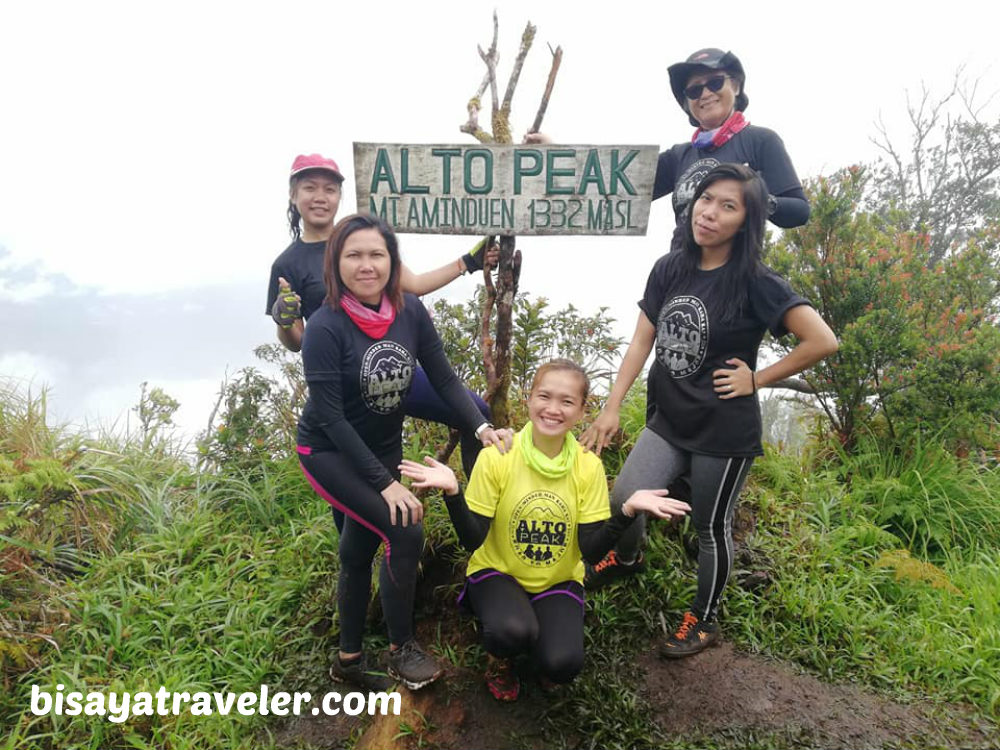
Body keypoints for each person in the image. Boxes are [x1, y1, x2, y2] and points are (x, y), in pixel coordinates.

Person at [580, 164, 837, 658]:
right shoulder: (670, 267)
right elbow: (641, 340)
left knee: (710, 527)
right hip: (670, 419)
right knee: (625, 496)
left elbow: (822, 340)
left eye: (728, 206)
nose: (711, 213)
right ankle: (627, 558)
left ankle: (704, 619)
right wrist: (611, 407)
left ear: (746, 221)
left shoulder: (756, 281)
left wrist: (756, 379)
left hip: (723, 427)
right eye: (706, 199)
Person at [296, 213, 513, 691]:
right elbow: (331, 418)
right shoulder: (325, 327)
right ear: (336, 263)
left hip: (381, 444)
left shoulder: (409, 310)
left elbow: (443, 378)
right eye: (354, 255)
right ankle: (402, 649)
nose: (367, 265)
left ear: (392, 261)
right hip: (328, 449)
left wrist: (481, 427)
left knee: (358, 549)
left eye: (377, 254)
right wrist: (385, 482)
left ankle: (349, 660)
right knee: (405, 524)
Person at [399, 359, 692, 700]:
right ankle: (500, 660)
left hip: (557, 579)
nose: (553, 409)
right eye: (544, 397)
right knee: (513, 631)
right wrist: (454, 493)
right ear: (529, 399)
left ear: (582, 411)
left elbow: (591, 551)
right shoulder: (498, 456)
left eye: (567, 402)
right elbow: (472, 541)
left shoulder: (587, 467)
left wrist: (626, 510)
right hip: (497, 572)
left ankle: (543, 652)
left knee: (563, 664)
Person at [267, 153, 497, 482]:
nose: (320, 197)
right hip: (346, 383)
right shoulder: (288, 263)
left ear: (339, 196)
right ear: (294, 194)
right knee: (355, 469)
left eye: (330, 189)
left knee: (477, 414)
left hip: (394, 366)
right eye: (310, 188)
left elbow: (413, 286)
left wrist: (467, 263)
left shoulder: (362, 239)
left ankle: (478, 507)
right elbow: (297, 341)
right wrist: (284, 319)